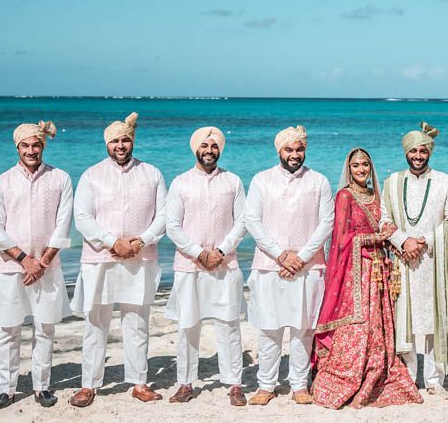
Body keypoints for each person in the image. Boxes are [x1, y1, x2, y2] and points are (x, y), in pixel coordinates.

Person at [311, 148, 424, 409]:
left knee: (380, 323)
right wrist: (376, 239)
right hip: (356, 270)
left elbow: (386, 224)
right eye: (355, 166)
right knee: (358, 323)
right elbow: (340, 240)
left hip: (379, 268)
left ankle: (376, 369)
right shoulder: (344, 196)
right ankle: (350, 373)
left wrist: (402, 240)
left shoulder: (377, 195)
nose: (361, 169)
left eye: (364, 165)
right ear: (348, 170)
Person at [69, 112, 167, 407]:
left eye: (126, 140)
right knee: (96, 322)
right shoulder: (91, 175)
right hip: (101, 259)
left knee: (137, 321)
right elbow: (82, 217)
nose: (121, 145)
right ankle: (89, 384)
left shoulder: (152, 174)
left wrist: (140, 241)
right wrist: (113, 242)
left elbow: (163, 216)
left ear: (132, 141)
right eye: (115, 141)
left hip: (140, 258)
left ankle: (139, 382)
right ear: (107, 144)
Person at [0, 121, 73, 410]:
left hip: (47, 267)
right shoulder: (1, 182)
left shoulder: (60, 178)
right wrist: (26, 261)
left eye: (36, 145)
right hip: (12, 268)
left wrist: (43, 262)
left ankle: (42, 386)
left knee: (44, 328)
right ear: (17, 147)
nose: (31, 150)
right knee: (9, 330)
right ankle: (7, 389)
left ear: (43, 146)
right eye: (25, 145)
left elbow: (63, 224)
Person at [245, 126, 334, 406]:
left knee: (303, 329)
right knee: (269, 328)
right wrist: (282, 256)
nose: (295, 154)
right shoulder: (262, 180)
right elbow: (252, 222)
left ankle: (299, 385)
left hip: (309, 267)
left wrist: (301, 257)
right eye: (289, 149)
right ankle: (266, 385)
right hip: (270, 266)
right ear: (279, 151)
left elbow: (326, 223)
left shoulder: (319, 181)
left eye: (299, 149)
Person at [164, 126, 248, 406]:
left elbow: (242, 222)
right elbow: (172, 226)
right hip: (190, 266)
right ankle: (186, 383)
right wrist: (200, 253)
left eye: (214, 146)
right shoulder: (180, 182)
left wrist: (222, 251)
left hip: (226, 264)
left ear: (220, 150)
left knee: (228, 324)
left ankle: (234, 383)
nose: (209, 150)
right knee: (188, 325)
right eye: (204, 146)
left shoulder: (233, 181)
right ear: (195, 149)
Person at [380, 122, 448, 399]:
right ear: (406, 152)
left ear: (430, 152)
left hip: (433, 262)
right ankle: (408, 377)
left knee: (433, 320)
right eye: (413, 151)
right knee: (406, 320)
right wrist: (404, 241)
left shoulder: (445, 181)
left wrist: (422, 240)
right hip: (403, 261)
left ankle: (434, 380)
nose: (418, 156)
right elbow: (383, 220)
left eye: (423, 151)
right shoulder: (391, 183)